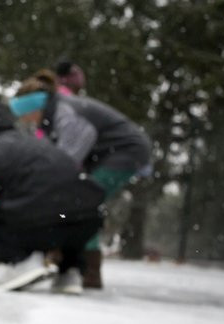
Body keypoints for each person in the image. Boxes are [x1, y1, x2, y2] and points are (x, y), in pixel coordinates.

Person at [9, 69, 151, 288]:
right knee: (79, 202)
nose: (24, 120)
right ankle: (73, 261)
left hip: (125, 152)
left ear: (34, 107)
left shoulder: (64, 112)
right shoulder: (52, 114)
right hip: (112, 154)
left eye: (24, 114)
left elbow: (70, 153)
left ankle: (87, 270)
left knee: (83, 204)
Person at [0, 102, 105, 293]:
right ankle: (70, 271)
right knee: (66, 211)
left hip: (36, 223)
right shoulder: (39, 144)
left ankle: (11, 266)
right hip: (87, 219)